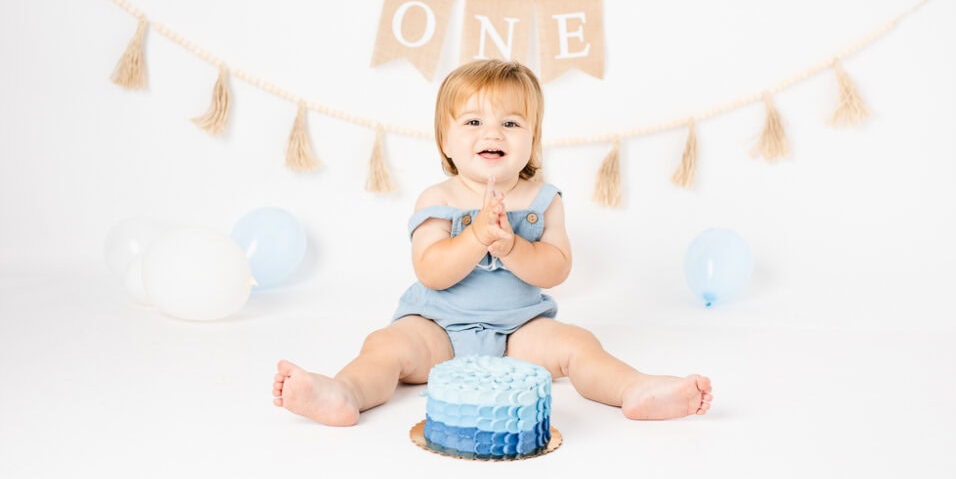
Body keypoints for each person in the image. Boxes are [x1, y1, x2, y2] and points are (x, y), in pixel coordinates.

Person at [272, 59, 712, 426]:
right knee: (385, 347)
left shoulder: (544, 199)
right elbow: (431, 270)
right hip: (437, 327)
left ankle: (635, 389)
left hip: (519, 331)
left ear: (532, 139)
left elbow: (556, 269)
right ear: (446, 139)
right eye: (473, 121)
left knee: (578, 343)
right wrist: (477, 236)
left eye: (511, 122)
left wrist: (513, 248)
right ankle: (343, 392)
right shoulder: (438, 198)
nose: (493, 133)